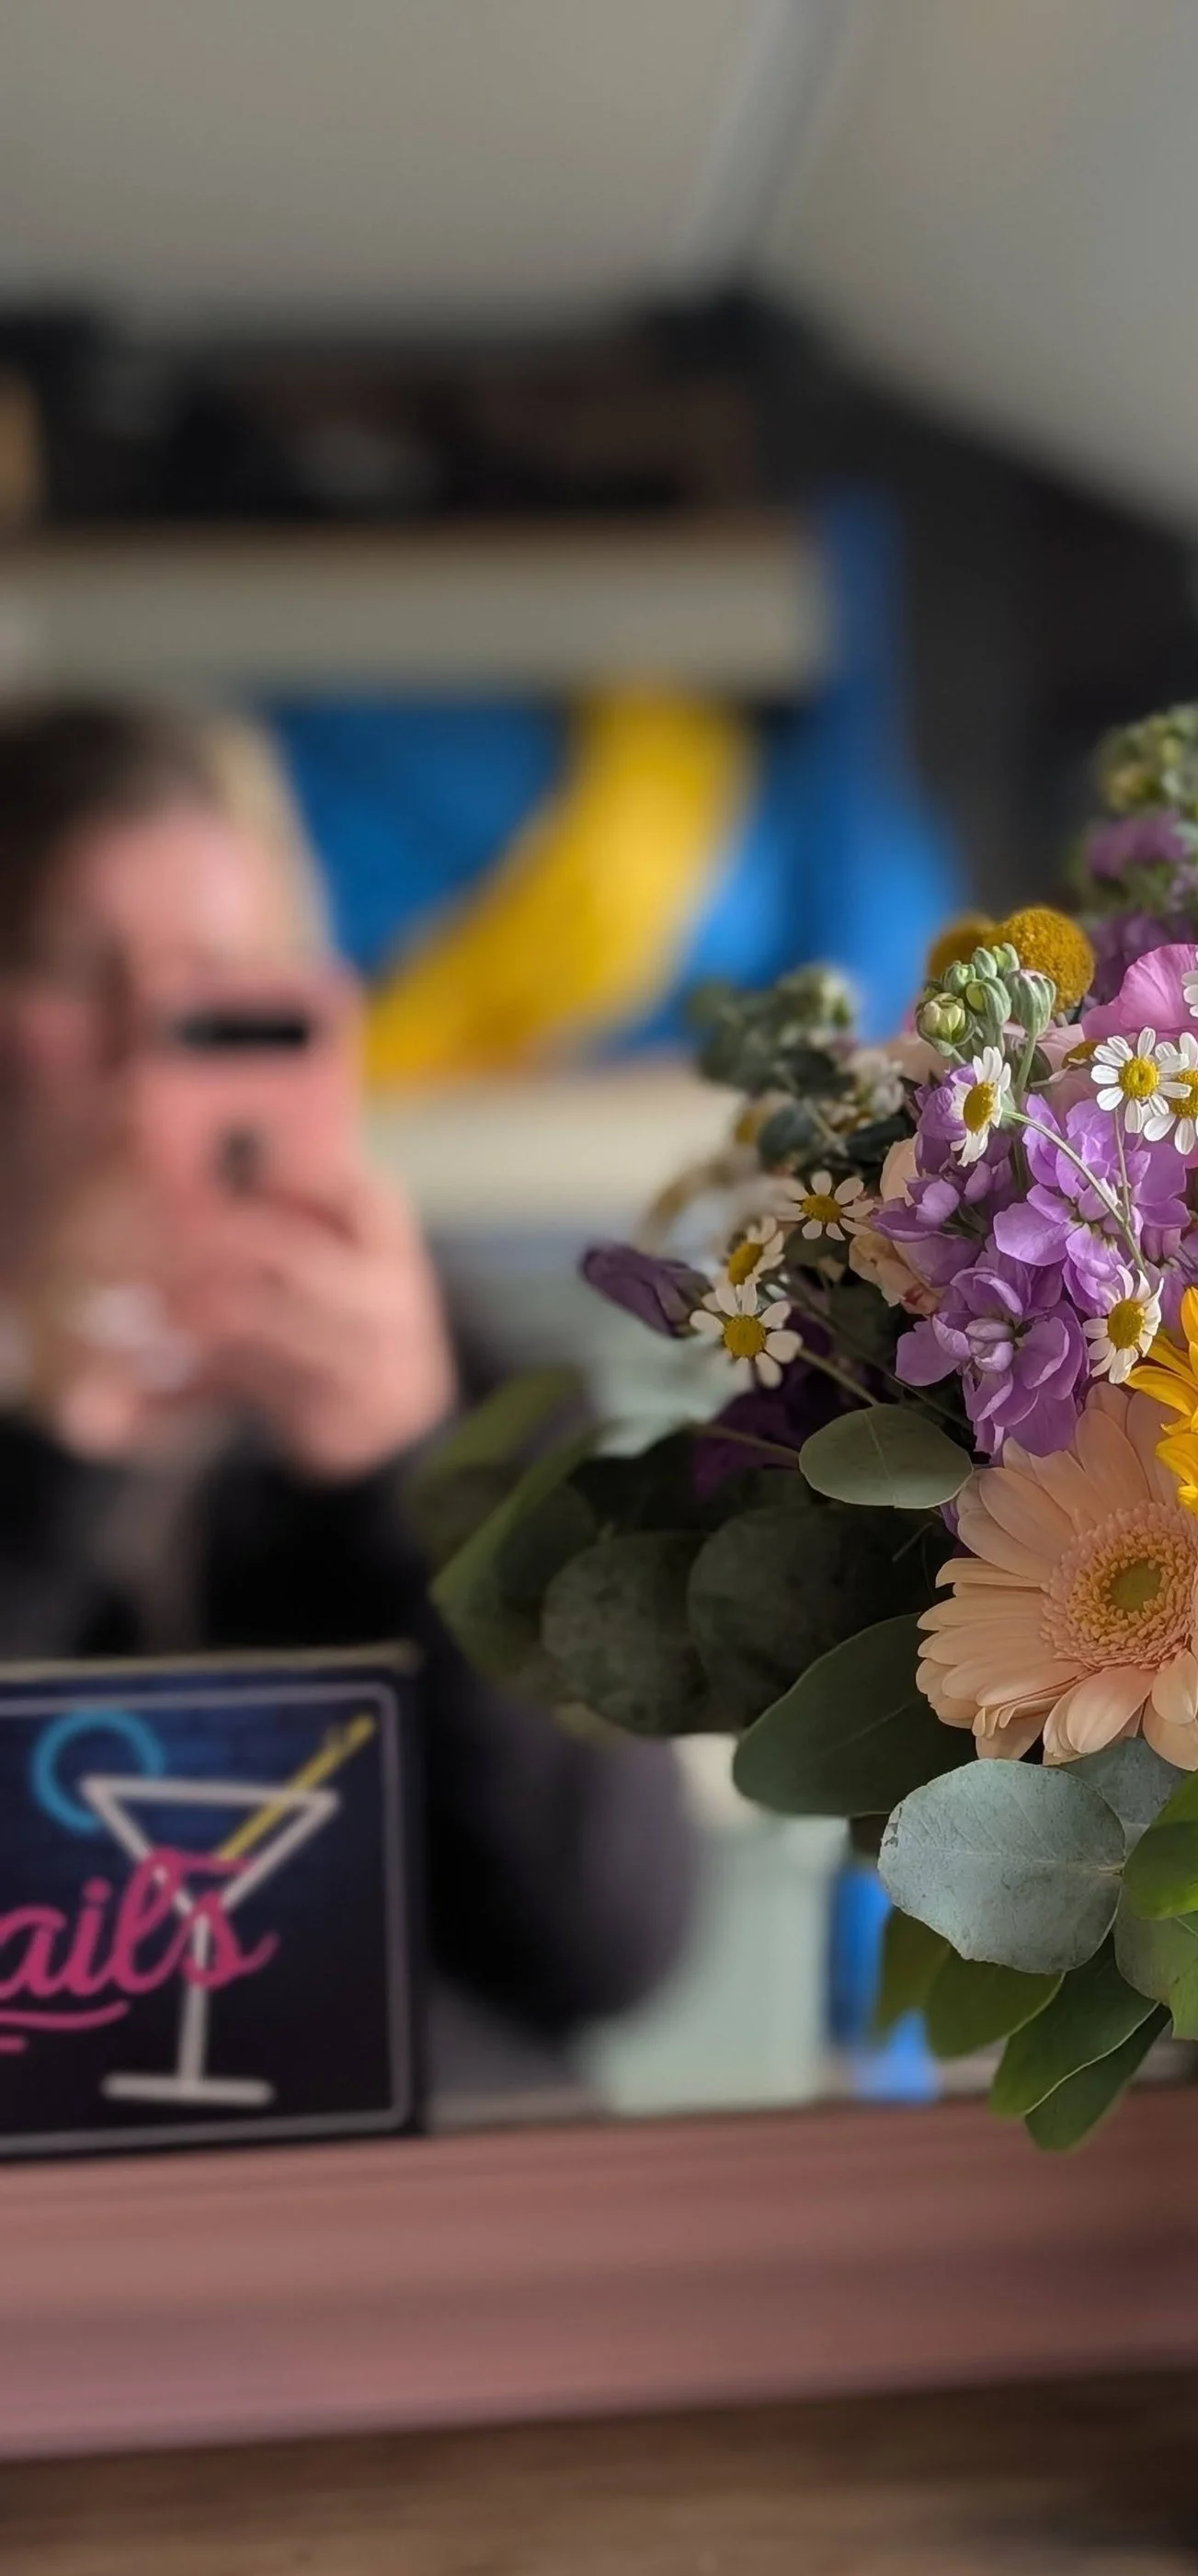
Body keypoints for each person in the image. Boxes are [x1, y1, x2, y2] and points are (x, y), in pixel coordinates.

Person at [0, 701, 696, 2077]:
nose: (152, 1047)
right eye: (81, 971)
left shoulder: (465, 1378)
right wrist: (53, 1462)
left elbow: (618, 1936)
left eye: (215, 980)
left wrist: (409, 1481)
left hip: (421, 2212)